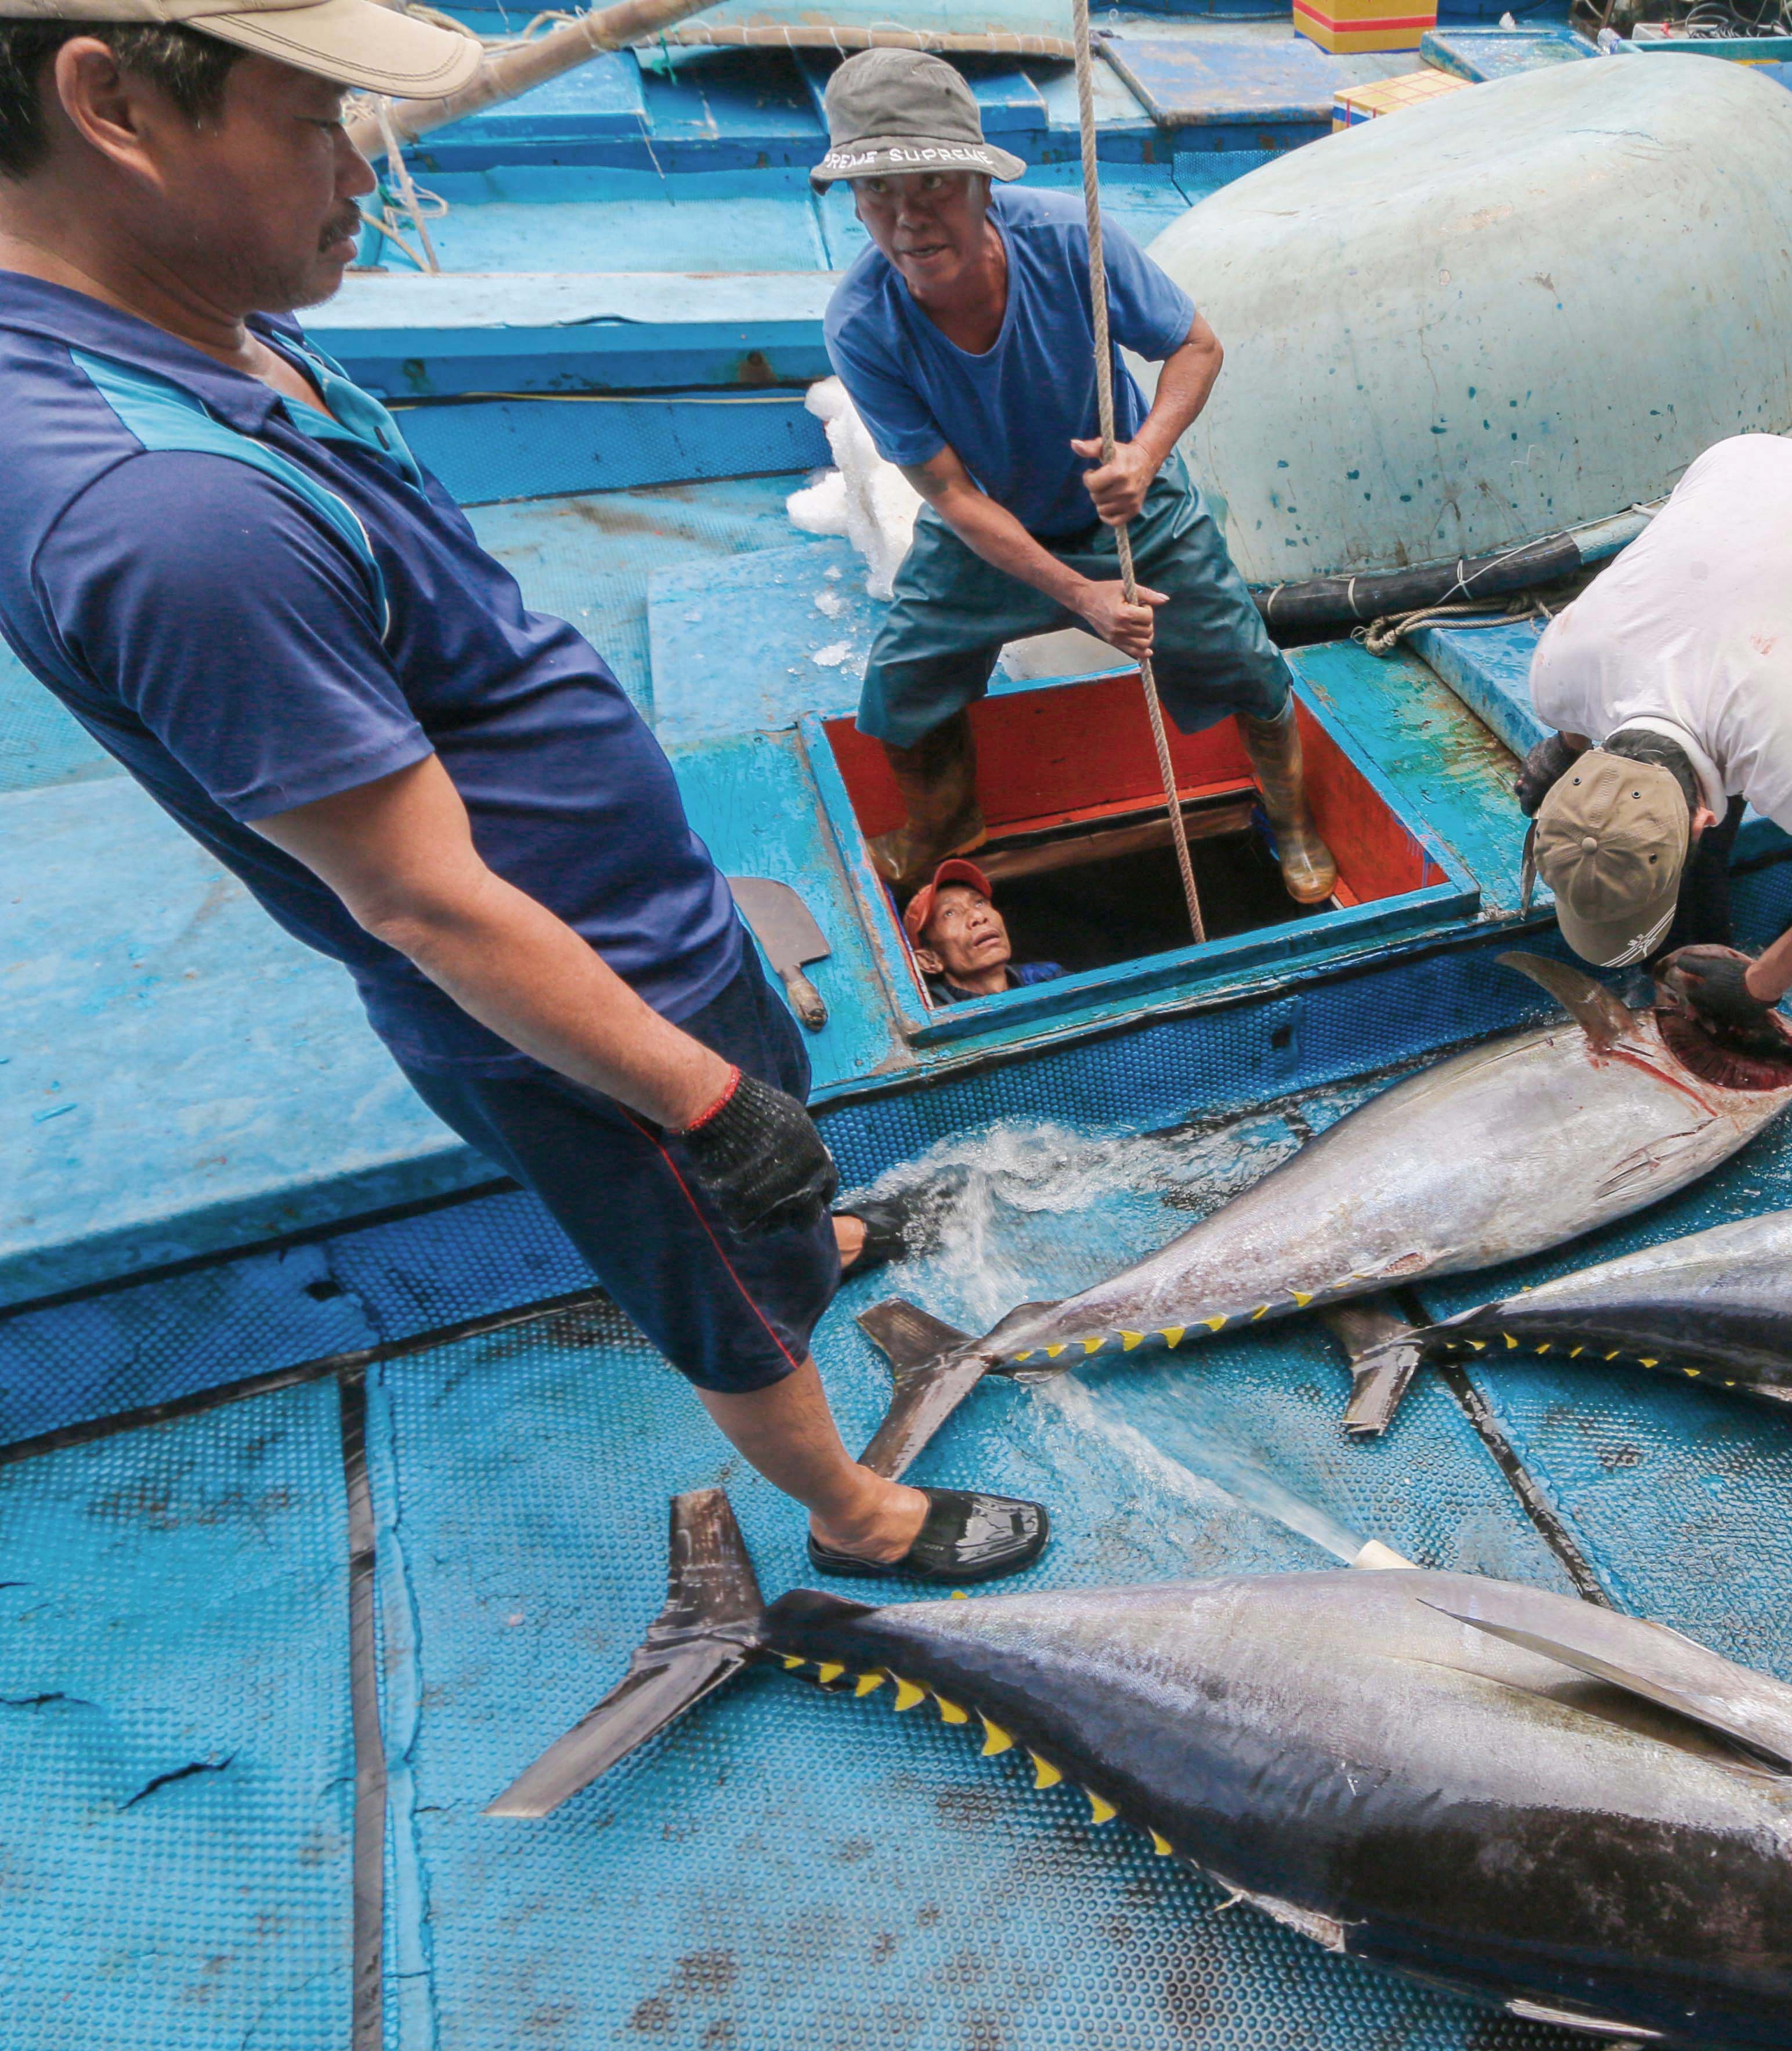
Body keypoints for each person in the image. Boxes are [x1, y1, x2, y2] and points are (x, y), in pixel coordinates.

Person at [0, 0, 1042, 1582]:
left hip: (641, 921)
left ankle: (804, 1247)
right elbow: (423, 899)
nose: (362, 172)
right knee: (716, 1280)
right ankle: (857, 1513)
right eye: (313, 121)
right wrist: (698, 1104)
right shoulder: (165, 516)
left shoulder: (195, 319)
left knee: (762, 1211)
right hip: (585, 1016)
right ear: (114, 107)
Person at [817, 49, 1335, 910]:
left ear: (984, 184)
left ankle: (1293, 823)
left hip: (1132, 516)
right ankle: (946, 828)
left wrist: (1144, 454)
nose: (907, 221)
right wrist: (1080, 596)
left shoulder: (1069, 240)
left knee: (1248, 666)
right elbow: (948, 495)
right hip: (985, 520)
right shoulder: (862, 321)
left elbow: (1194, 346)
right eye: (879, 196)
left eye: (934, 187)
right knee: (903, 684)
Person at [1517, 433, 1792, 1046]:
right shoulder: (1560, 671)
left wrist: (1760, 984)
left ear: (1705, 818)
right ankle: (1702, 942)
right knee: (1685, 798)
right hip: (1728, 471)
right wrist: (1562, 751)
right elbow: (1576, 730)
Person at [905, 857, 1059, 1003]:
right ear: (929, 960)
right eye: (950, 913)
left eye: (979, 903)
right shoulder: (932, 1013)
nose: (978, 916)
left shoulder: (1046, 977)